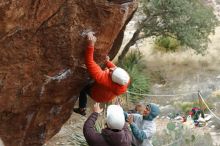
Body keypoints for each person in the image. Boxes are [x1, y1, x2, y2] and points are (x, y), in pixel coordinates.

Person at [74, 32, 130, 116]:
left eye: (111, 72)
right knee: (98, 75)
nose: (111, 69)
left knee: (83, 88)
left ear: (112, 79)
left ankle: (82, 108)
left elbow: (89, 62)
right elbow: (115, 69)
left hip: (98, 95)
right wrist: (108, 62)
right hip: (106, 93)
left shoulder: (104, 79)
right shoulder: (124, 79)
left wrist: (91, 45)